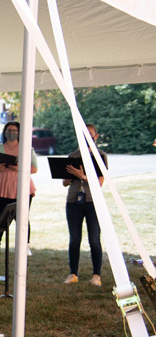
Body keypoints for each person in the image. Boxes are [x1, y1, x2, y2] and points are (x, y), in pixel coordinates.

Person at [62, 123, 107, 287]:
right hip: (74, 201)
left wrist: (83, 176)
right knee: (74, 239)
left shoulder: (100, 156)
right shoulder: (72, 155)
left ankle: (96, 275)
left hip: (93, 202)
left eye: (89, 134)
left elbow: (100, 183)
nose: (86, 137)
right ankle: (73, 273)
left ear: (96, 136)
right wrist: (72, 175)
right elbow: (64, 183)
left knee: (94, 240)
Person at [0, 121, 38, 255]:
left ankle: (25, 246)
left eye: (14, 130)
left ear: (19, 132)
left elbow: (34, 169)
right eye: (9, 130)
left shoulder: (27, 148)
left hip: (21, 188)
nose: (11, 133)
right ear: (4, 132)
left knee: (22, 218)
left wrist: (18, 168)